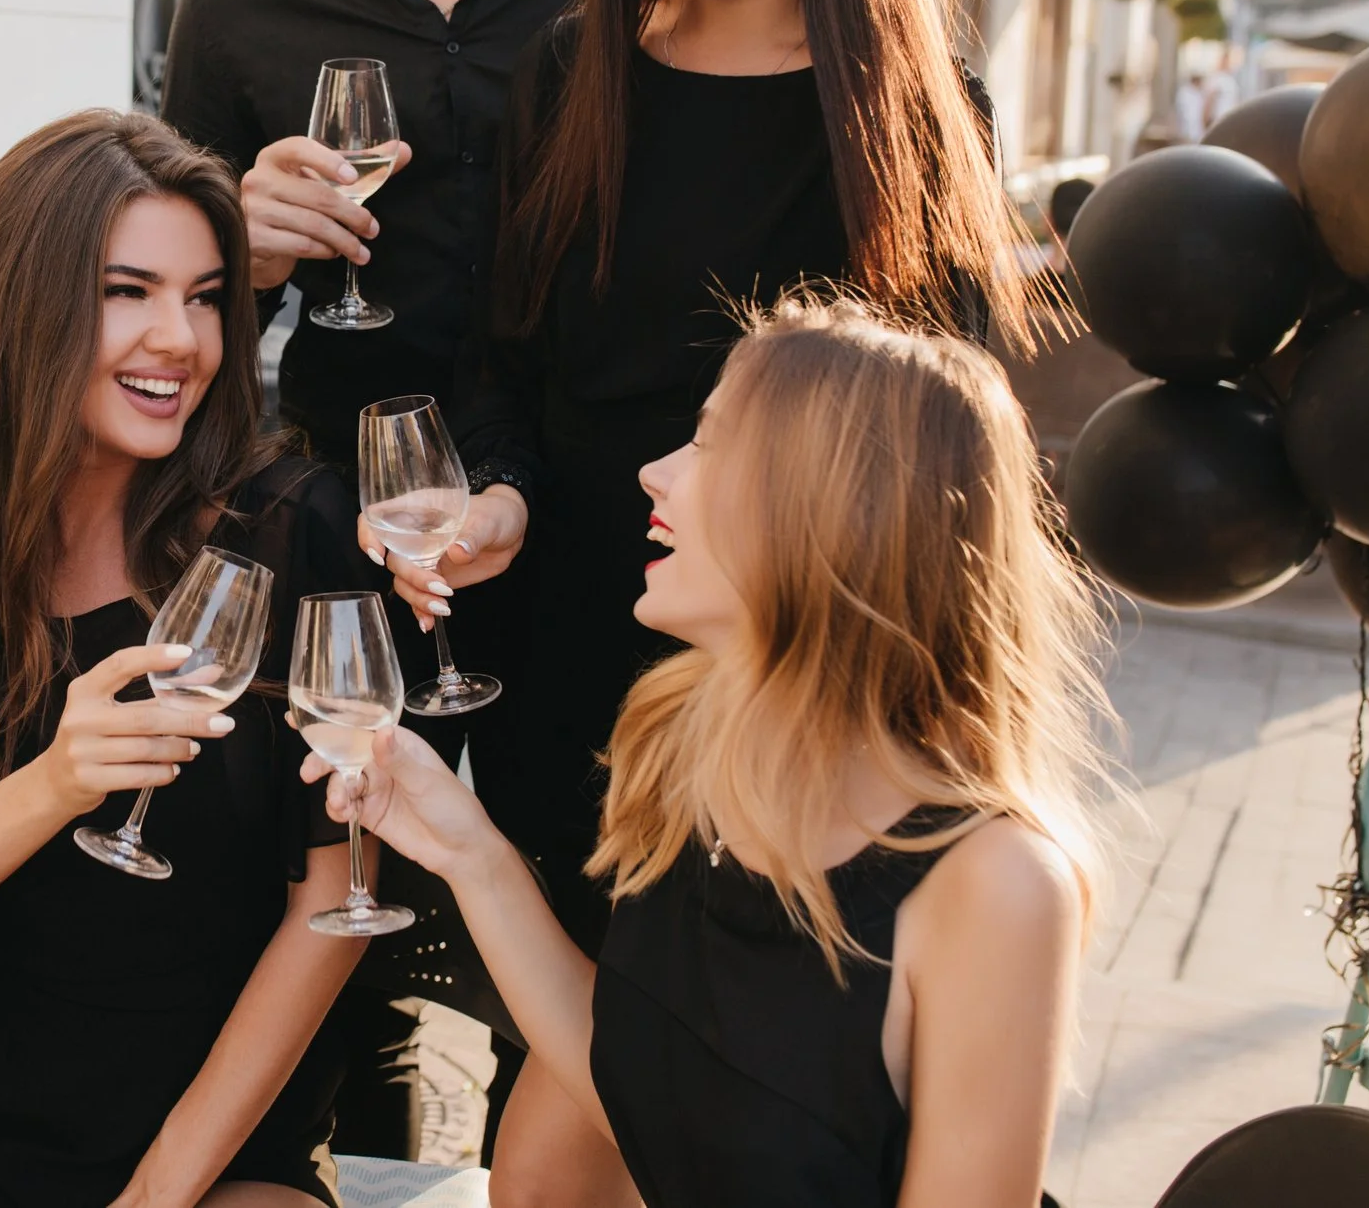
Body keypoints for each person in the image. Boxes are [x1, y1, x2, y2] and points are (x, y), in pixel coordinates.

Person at [366, 0, 1037, 1192]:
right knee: (571, 1109)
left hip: (791, 716)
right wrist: (503, 502)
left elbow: (946, 481)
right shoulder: (572, 72)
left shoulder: (914, 124)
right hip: (578, 677)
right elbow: (506, 371)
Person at [323, 293, 1109, 1208]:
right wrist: (468, 850)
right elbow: (634, 1083)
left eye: (710, 442)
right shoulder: (687, 759)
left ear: (832, 510)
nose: (655, 472)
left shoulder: (997, 882)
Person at [159, 0, 590, 1154]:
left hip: (609, 548)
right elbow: (171, 316)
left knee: (582, 979)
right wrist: (236, 251)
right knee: (358, 980)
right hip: (349, 562)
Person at [0, 110, 412, 1207]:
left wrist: (157, 1191)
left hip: (224, 1139)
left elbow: (334, 904)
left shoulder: (289, 527)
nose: (180, 338)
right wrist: (55, 783)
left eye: (207, 295)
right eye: (128, 291)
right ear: (20, 307)